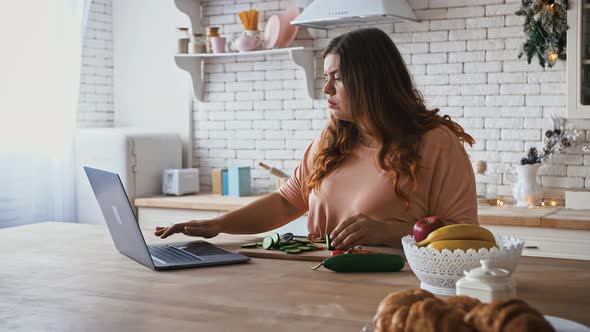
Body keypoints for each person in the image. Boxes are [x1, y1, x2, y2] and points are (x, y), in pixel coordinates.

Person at [155, 28, 477, 250]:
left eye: (337, 78)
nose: (326, 90)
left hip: (393, 287)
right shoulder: (333, 139)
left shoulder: (435, 143)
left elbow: (466, 235)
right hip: (320, 277)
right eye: (326, 77)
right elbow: (286, 201)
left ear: (371, 81)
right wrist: (219, 224)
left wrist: (389, 233)